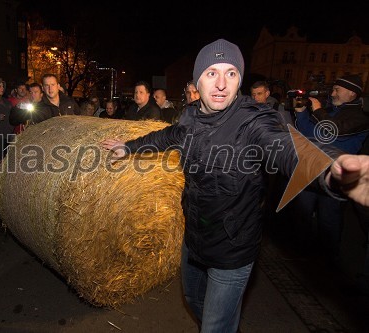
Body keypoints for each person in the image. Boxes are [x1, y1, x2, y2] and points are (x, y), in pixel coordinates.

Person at [101, 38, 369, 332]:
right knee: (193, 299)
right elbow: (164, 137)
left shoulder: (252, 120)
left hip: (233, 248)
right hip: (195, 237)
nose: (221, 84)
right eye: (211, 73)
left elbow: (284, 146)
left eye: (231, 73)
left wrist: (329, 170)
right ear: (197, 81)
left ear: (239, 80)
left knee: (214, 326)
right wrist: (128, 147)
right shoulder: (190, 117)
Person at [291, 74, 369, 261]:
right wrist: (301, 112)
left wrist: (317, 111)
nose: (332, 93)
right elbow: (308, 133)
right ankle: (301, 256)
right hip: (311, 172)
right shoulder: (329, 111)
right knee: (302, 215)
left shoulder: (360, 117)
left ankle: (327, 262)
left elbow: (335, 133)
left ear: (351, 93)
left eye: (337, 90)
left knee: (329, 219)